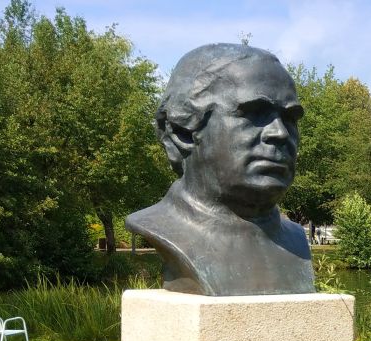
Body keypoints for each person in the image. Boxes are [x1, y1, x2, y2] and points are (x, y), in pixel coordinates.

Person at [126, 44, 315, 296]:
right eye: (254, 113)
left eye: (290, 118)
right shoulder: (162, 228)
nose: (279, 133)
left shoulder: (294, 240)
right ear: (182, 132)